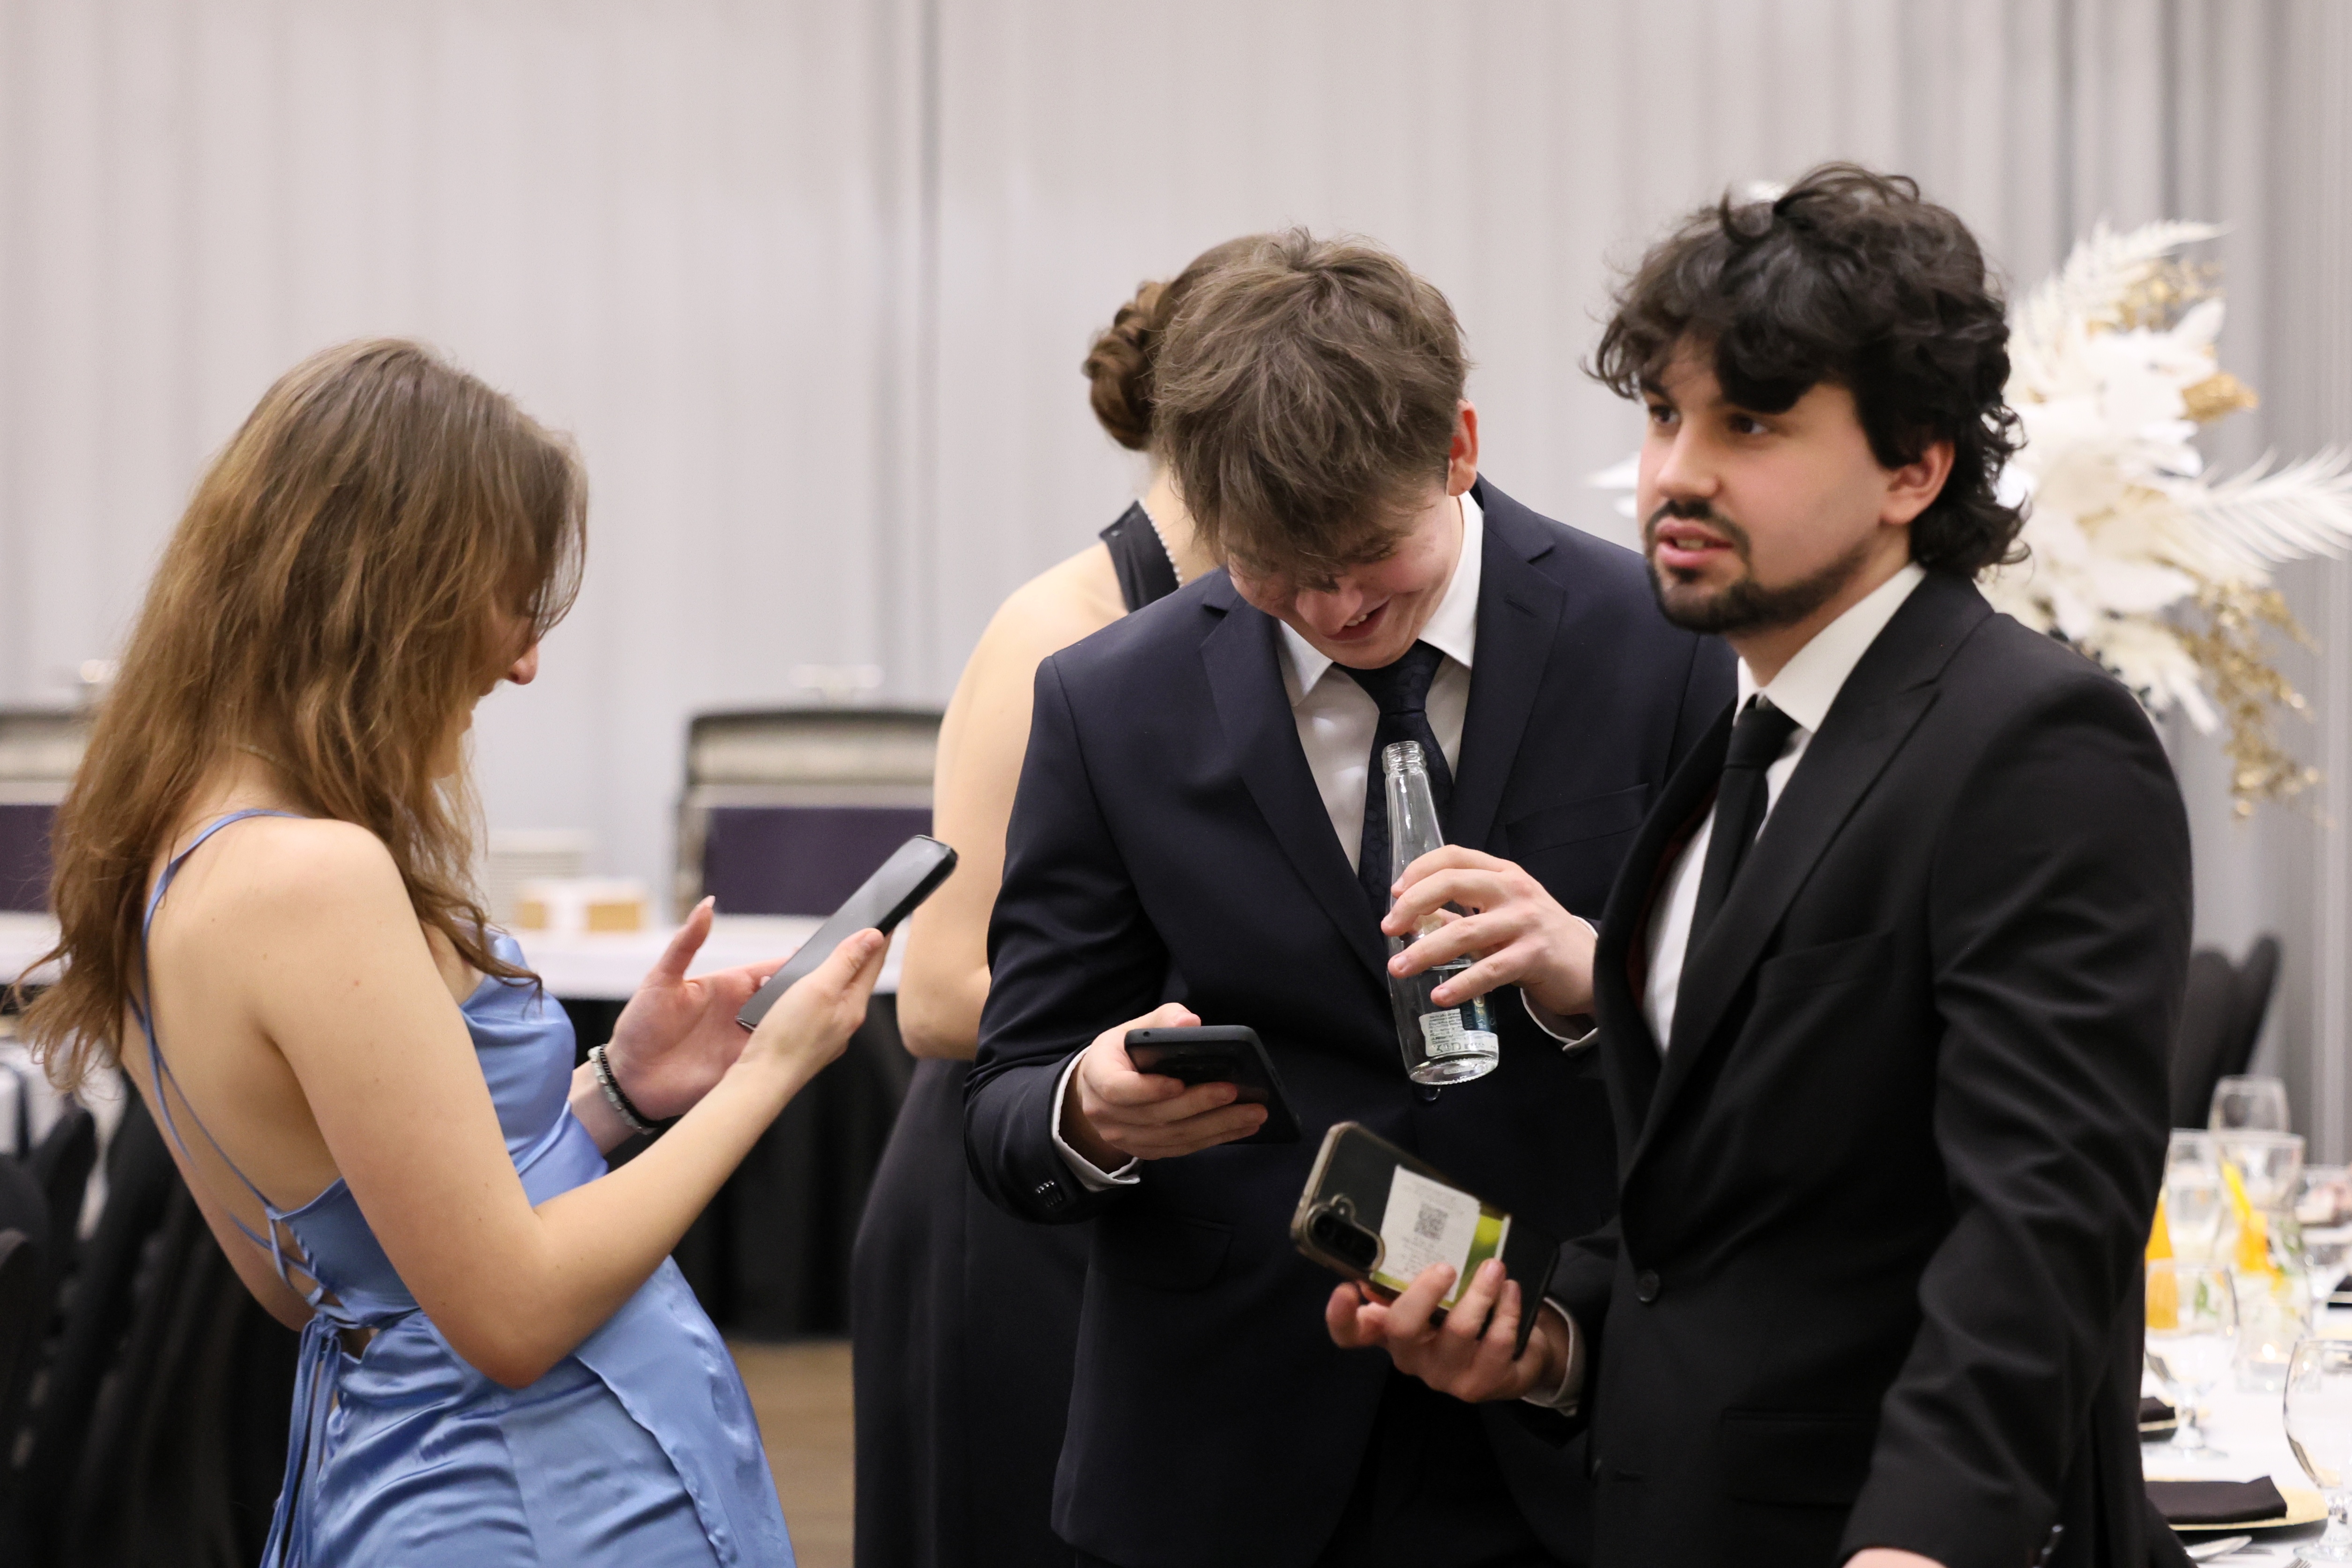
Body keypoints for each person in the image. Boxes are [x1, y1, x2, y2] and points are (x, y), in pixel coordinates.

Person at [1328, 166, 2195, 1568]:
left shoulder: (2034, 740)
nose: (1677, 472)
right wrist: (1552, 1343)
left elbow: (2041, 1225)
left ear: (1916, 466)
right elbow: (1722, 1220)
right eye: (1665, 414)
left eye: (1754, 424)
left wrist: (1921, 1545)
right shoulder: (1741, 743)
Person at [18, 339, 887, 1567]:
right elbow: (513, 1313)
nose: (525, 659)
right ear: (396, 589)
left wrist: (616, 1091)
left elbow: (328, 1264)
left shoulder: (156, 856)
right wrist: (774, 1069)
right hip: (536, 1501)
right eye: (513, 602)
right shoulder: (316, 878)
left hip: (439, 1476)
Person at [964, 230, 1731, 1568]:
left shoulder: (1661, 641)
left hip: (1566, 1402)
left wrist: (1590, 973)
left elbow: (1755, 1048)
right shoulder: (1109, 702)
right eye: (1275, 570)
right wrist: (1085, 1107)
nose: (1334, 607)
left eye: (1375, 552)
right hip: (1225, 1451)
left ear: (1460, 447)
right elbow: (1003, 1097)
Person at [854, 239, 1243, 1568]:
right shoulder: (1055, 631)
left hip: (1134, 1182)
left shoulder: (1249, 620)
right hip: (1007, 1199)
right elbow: (941, 996)